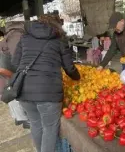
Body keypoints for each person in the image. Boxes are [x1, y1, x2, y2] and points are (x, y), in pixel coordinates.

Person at [12, 14, 80, 152]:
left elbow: (15, 62)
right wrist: (77, 77)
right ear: (56, 26)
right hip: (48, 93)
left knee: (36, 125)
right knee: (49, 128)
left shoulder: (25, 37)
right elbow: (69, 68)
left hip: (24, 91)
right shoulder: (58, 40)